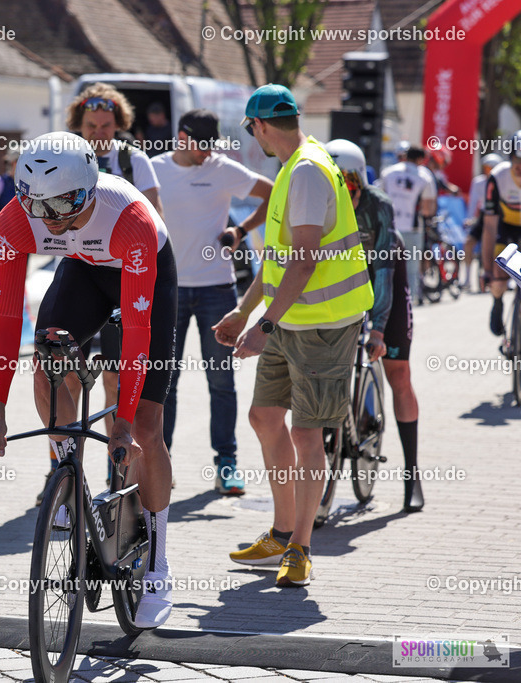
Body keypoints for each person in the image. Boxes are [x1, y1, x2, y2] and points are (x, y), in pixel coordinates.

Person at [0, 131, 178, 628]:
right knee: (46, 361)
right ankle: (68, 482)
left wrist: (125, 421)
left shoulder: (128, 219)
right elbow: (5, 318)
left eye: (66, 203)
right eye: (38, 206)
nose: (52, 218)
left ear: (89, 189)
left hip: (143, 272)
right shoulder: (15, 220)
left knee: (148, 431)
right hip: (85, 271)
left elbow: (136, 332)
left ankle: (157, 562)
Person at [213, 85, 374, 587]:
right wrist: (244, 311)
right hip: (290, 319)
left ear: (258, 126)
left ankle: (301, 548)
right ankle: (281, 533)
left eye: (251, 129)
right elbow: (279, 259)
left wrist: (262, 326)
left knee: (307, 434)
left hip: (323, 325)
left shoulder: (305, 170)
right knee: (264, 417)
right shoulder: (293, 167)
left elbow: (304, 258)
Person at [152, 109, 273, 496]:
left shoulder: (224, 169)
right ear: (182, 137)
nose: (206, 154)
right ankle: (159, 461)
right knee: (162, 382)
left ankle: (226, 464)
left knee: (221, 382)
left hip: (216, 291)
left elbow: (274, 194)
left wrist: (241, 229)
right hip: (167, 289)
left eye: (211, 146)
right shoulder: (153, 170)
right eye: (201, 146)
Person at [52, 83, 162, 500]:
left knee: (116, 379)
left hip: (126, 275)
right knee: (68, 376)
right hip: (82, 272)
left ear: (120, 126)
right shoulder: (66, 162)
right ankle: (64, 470)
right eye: (91, 126)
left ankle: (118, 466)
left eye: (106, 125)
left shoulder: (134, 160)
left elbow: (154, 217)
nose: (99, 133)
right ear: (77, 128)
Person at [325, 139, 424, 512]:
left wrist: (378, 330)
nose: (342, 191)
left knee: (398, 372)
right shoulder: (320, 203)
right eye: (335, 183)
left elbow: (382, 274)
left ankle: (411, 474)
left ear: (358, 182)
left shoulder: (377, 204)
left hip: (385, 273)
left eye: (348, 184)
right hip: (345, 278)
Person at [378, 145, 437, 304]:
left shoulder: (388, 172)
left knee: (386, 265)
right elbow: (427, 208)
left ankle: (384, 301)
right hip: (412, 227)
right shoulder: (424, 175)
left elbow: (379, 197)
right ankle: (408, 303)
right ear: (420, 159)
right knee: (411, 267)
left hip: (389, 226)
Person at [482, 132, 521, 338]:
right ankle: (497, 302)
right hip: (505, 228)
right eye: (517, 161)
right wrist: (487, 270)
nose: (520, 167)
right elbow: (489, 226)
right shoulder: (497, 177)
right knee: (498, 281)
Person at [462, 153, 503, 291]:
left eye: (491, 168)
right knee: (468, 243)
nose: (488, 171)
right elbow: (473, 201)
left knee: (500, 246)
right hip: (484, 215)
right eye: (486, 168)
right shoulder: (478, 182)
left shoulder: (501, 181)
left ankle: (503, 277)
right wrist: (468, 219)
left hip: (499, 216)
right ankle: (467, 278)